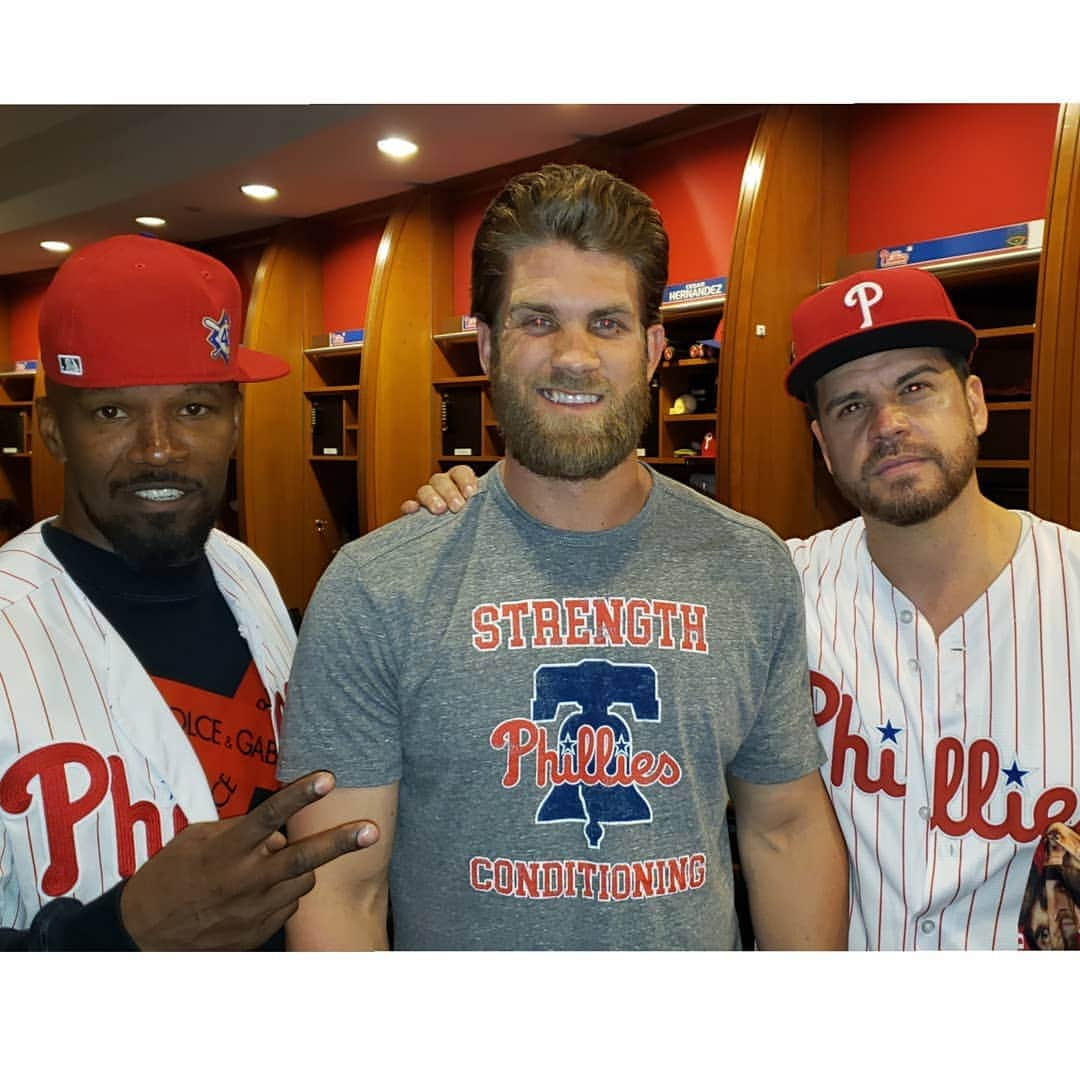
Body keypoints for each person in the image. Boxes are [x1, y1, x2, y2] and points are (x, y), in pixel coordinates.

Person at [416, 264, 1080, 950]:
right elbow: (587, 591)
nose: (889, 424)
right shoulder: (766, 582)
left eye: (916, 386)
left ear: (974, 401)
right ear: (822, 444)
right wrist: (474, 510)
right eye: (850, 405)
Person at [279, 163, 848, 950]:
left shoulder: (747, 566)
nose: (573, 356)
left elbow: (785, 832)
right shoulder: (379, 585)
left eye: (607, 324)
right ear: (485, 345)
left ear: (652, 349)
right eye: (537, 320)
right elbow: (341, 889)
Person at [0, 235, 377, 951]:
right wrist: (121, 937)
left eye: (194, 408)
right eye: (111, 413)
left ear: (235, 421)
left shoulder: (246, 573)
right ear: (53, 429)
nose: (159, 448)